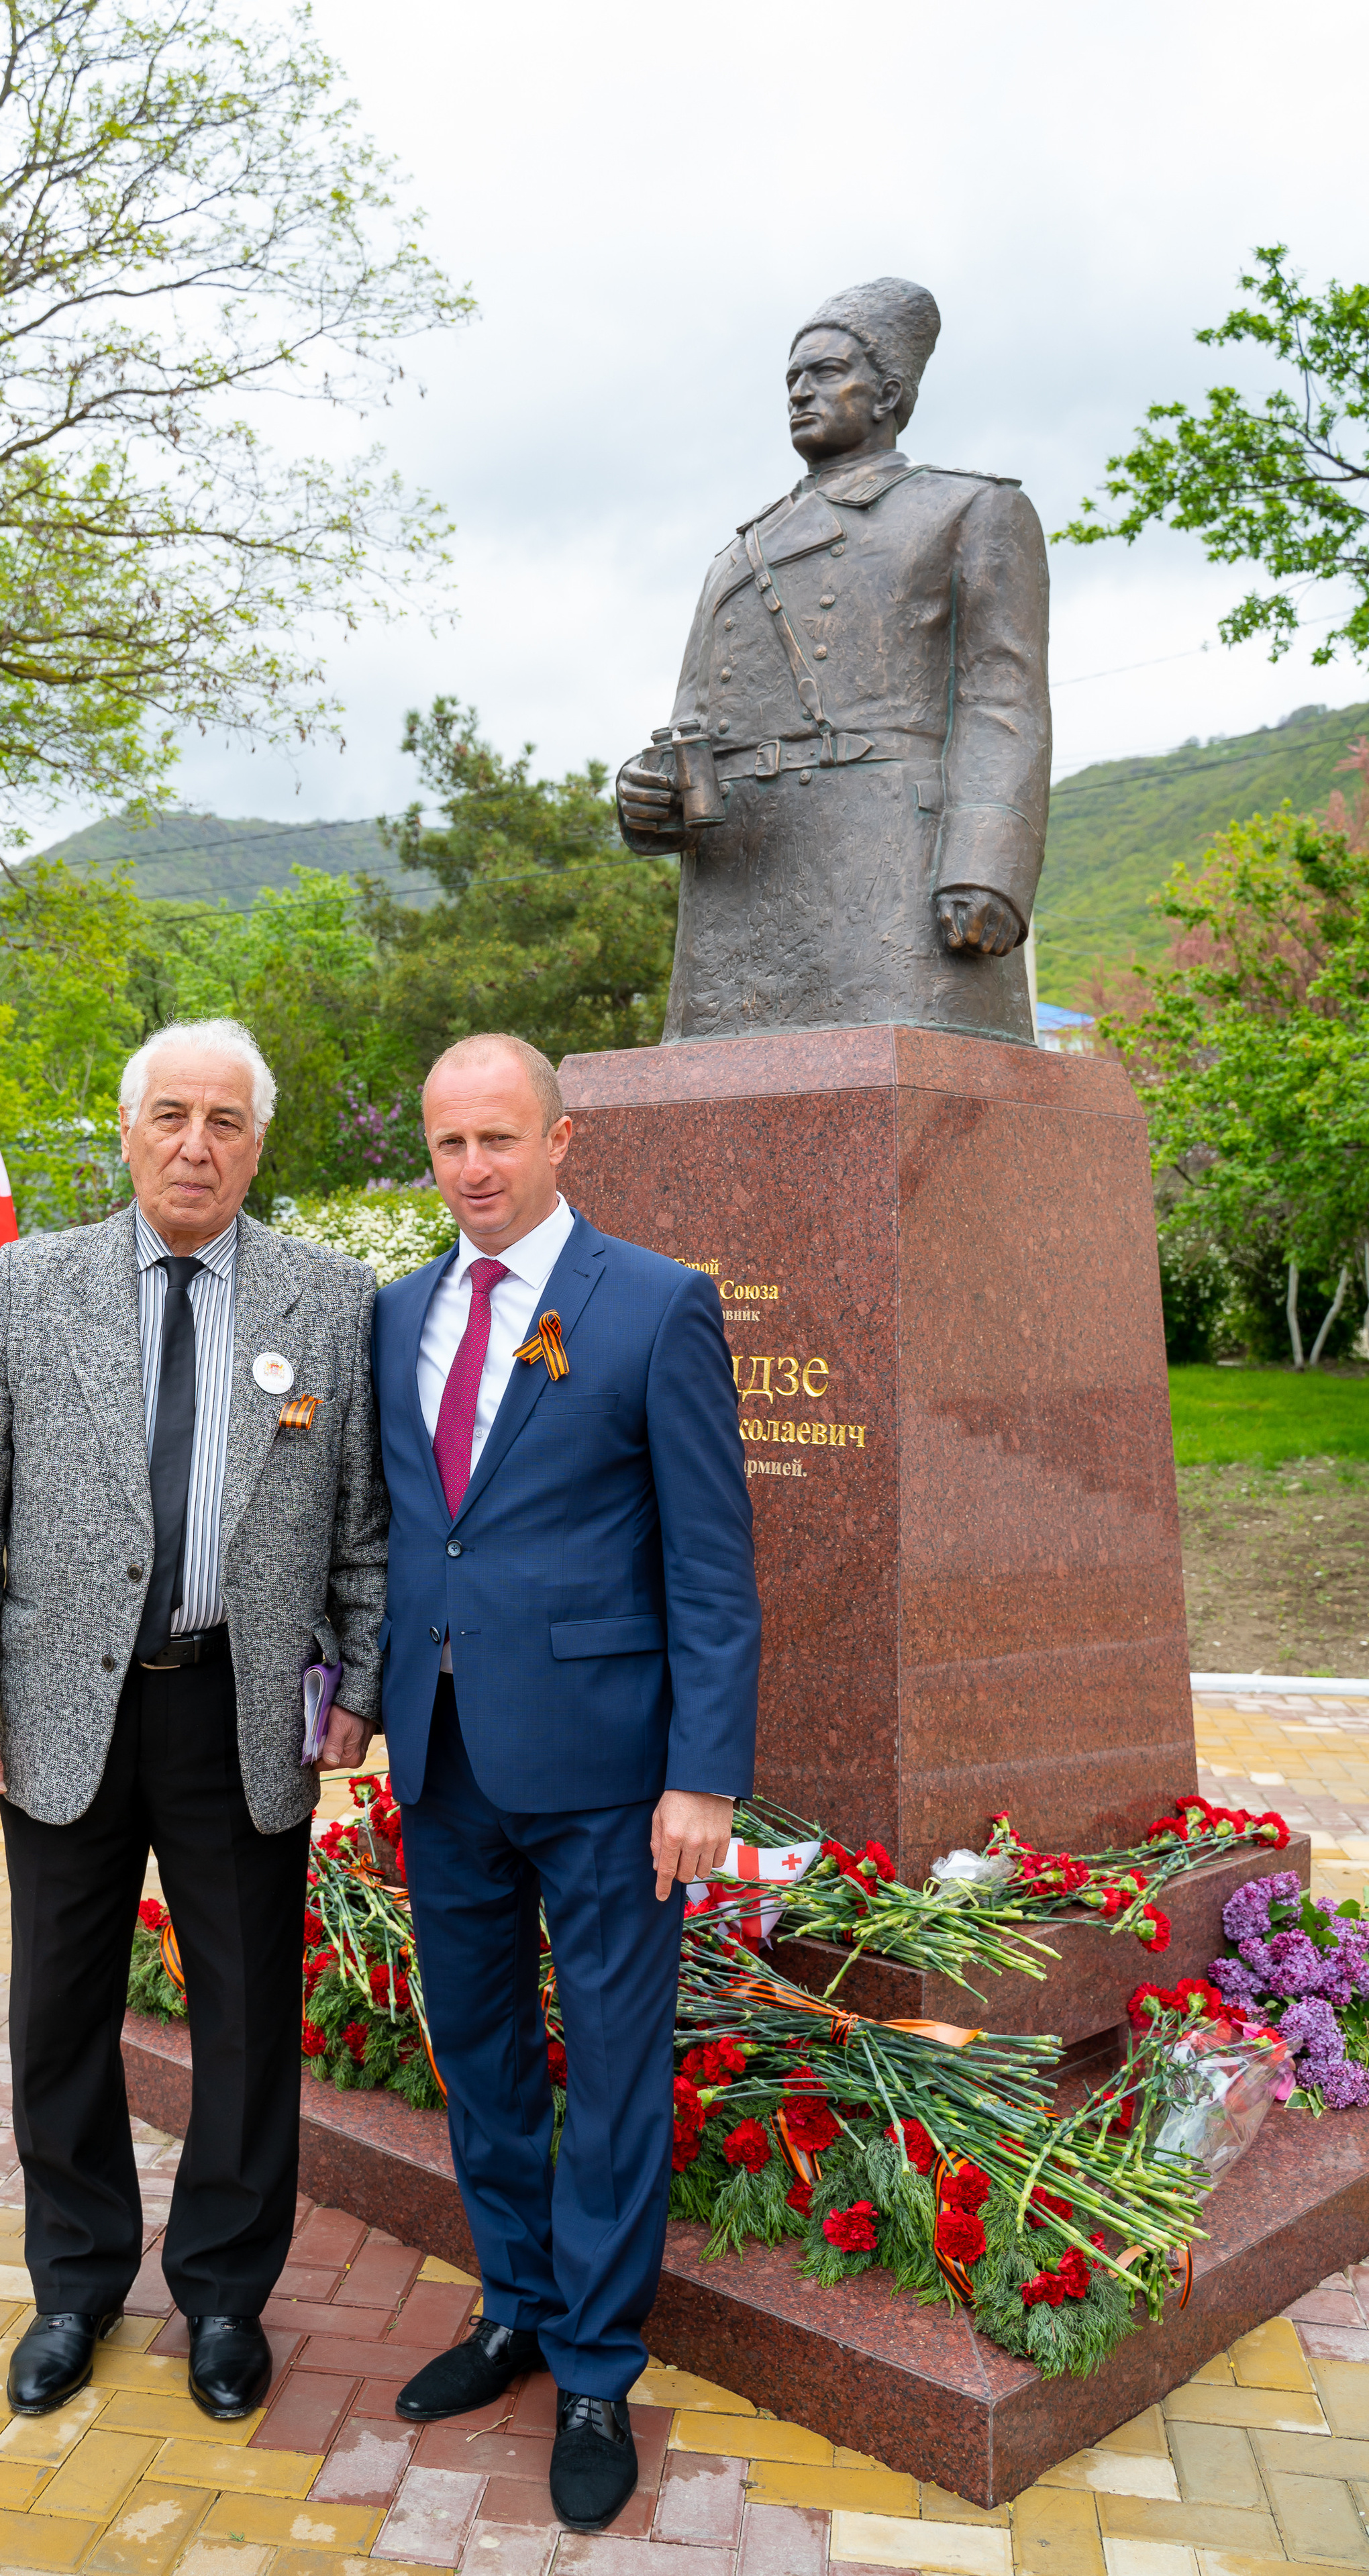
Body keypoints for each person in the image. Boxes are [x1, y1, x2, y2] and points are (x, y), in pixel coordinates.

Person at [0, 1018, 387, 2424]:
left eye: (225, 1120)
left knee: (246, 2018)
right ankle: (75, 2282)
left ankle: (226, 2294)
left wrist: (359, 1685)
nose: (194, 1143)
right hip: (66, 1711)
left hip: (242, 1709)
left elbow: (362, 1524)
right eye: (170, 1114)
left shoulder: (329, 1298)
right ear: (127, 1131)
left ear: (258, 1143)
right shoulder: (30, 1282)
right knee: (59, 2008)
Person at [371, 1032, 760, 2535]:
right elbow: (417, 1533)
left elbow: (710, 1563)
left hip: (607, 1771)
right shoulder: (399, 1311)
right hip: (445, 1754)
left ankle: (596, 2365)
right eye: (448, 1142)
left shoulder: (655, 1302)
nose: (472, 1167)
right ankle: (515, 2305)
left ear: (558, 1139)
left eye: (498, 1138)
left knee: (607, 2070)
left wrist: (702, 1775)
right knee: (478, 2053)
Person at [617, 274, 1052, 1045]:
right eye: (791, 377)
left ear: (887, 394)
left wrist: (986, 866)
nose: (799, 391)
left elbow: (1002, 702)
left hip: (887, 869)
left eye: (824, 372)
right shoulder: (736, 556)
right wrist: (646, 797)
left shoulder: (968, 510)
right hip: (738, 883)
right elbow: (689, 731)